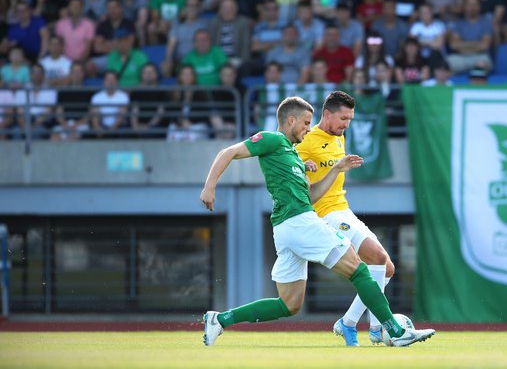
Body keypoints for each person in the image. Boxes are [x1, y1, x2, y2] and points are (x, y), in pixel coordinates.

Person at [199, 96, 435, 347]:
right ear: (290, 120)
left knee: (288, 305)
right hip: (300, 222)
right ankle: (395, 332)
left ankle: (220, 319)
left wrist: (334, 170)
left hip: (286, 228)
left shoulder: (291, 153)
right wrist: (209, 187)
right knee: (361, 270)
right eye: (305, 122)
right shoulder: (273, 139)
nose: (308, 128)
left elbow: (311, 196)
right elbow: (229, 151)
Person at [295, 91, 397, 346]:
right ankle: (378, 328)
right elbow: (297, 180)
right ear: (326, 114)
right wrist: (305, 167)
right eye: (343, 118)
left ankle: (348, 322)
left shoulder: (339, 136)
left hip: (344, 208)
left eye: (350, 119)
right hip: (326, 214)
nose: (346, 124)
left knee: (387, 268)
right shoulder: (306, 141)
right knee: (377, 258)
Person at [14, 64, 58, 140]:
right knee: (16, 131)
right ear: (30, 74)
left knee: (38, 131)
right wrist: (23, 124)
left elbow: (47, 111)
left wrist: (34, 126)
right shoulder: (22, 90)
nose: (37, 75)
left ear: (43, 75)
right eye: (34, 72)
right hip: (25, 120)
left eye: (39, 72)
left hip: (42, 122)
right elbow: (19, 111)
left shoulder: (50, 90)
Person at [50, 61, 91, 141]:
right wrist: (65, 125)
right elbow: (59, 113)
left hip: (81, 125)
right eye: (74, 72)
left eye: (78, 72)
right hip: (65, 124)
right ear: (70, 74)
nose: (76, 74)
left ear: (83, 74)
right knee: (54, 137)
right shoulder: (63, 92)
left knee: (73, 138)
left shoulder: (89, 91)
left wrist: (77, 125)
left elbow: (90, 114)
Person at [90, 70, 130, 138]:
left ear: (117, 82)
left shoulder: (123, 96)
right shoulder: (97, 97)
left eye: (113, 80)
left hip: (118, 127)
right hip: (102, 125)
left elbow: (122, 116)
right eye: (108, 80)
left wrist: (111, 129)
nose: (110, 82)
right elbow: (95, 116)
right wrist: (97, 128)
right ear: (104, 82)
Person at [130, 62, 166, 138]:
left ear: (156, 74)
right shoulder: (136, 91)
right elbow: (134, 110)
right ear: (142, 75)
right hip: (138, 123)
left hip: (155, 124)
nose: (148, 75)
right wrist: (135, 126)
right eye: (146, 72)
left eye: (151, 72)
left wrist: (149, 126)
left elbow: (160, 112)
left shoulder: (162, 91)